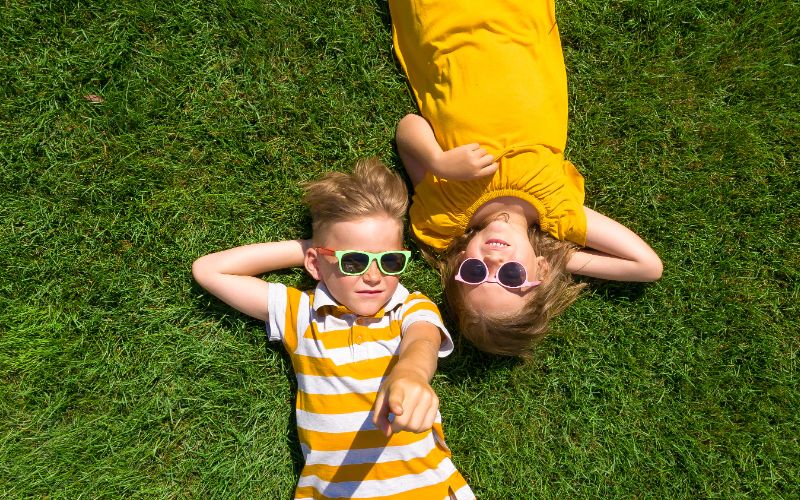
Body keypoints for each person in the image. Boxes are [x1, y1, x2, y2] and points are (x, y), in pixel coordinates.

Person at [388, 0, 663, 357]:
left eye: (473, 273)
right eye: (512, 277)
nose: (494, 263)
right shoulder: (559, 210)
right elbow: (647, 266)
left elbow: (408, 128)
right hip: (520, 19)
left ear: (458, 264)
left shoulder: (443, 214)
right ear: (541, 272)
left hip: (442, 24)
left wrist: (439, 162)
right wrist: (556, 255)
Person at [192, 158, 474, 499]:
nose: (374, 276)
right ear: (315, 263)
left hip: (427, 488)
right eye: (353, 261)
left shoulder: (409, 305)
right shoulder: (301, 313)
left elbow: (423, 341)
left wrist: (411, 375)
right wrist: (309, 249)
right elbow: (210, 271)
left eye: (390, 260)